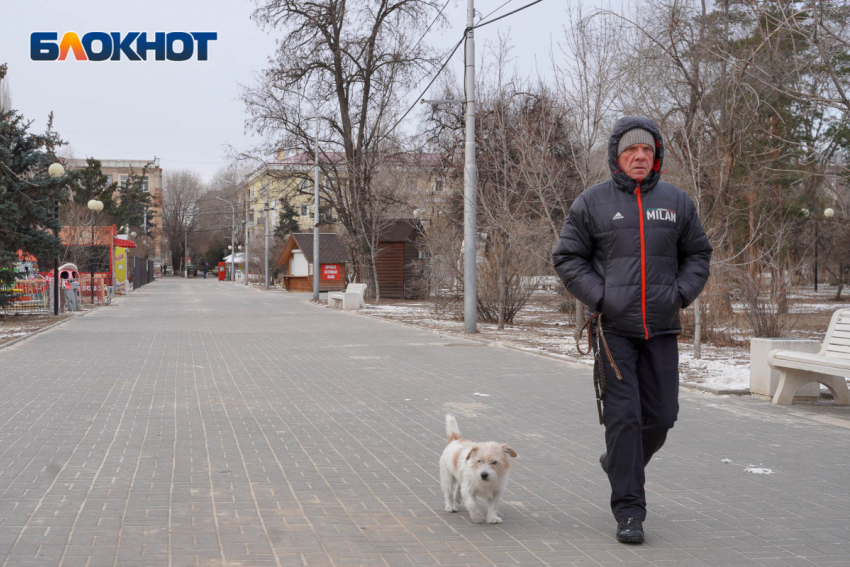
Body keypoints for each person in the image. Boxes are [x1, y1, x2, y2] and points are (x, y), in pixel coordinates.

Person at [553, 116, 712, 544]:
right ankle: (629, 512)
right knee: (623, 420)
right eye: (630, 151)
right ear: (617, 157)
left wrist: (680, 295)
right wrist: (602, 298)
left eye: (646, 151)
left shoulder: (677, 201)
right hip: (614, 332)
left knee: (662, 417)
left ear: (656, 155)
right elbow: (567, 258)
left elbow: (698, 254)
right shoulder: (592, 203)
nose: (639, 157)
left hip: (661, 329)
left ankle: (620, 463)